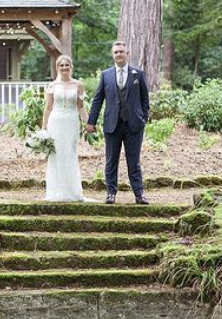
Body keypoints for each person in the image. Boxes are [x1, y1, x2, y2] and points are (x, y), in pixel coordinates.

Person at [86, 41, 150, 205]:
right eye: (116, 52)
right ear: (112, 55)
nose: (118, 55)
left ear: (127, 53)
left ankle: (139, 194)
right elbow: (98, 99)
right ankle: (111, 193)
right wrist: (91, 121)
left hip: (134, 125)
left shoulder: (138, 74)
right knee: (111, 161)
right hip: (112, 124)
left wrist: (143, 118)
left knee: (133, 161)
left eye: (121, 52)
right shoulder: (106, 75)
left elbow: (145, 99)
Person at [42, 54, 88, 202]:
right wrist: (43, 129)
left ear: (71, 67)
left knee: (70, 153)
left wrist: (89, 123)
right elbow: (48, 108)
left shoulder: (78, 85)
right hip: (56, 122)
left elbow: (80, 107)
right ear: (57, 67)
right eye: (61, 65)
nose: (64, 68)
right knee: (56, 155)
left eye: (66, 65)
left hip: (71, 122)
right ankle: (56, 192)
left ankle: (72, 191)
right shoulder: (52, 86)